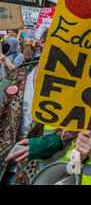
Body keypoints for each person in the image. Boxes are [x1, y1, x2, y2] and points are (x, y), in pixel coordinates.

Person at [0, 29, 50, 185]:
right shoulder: (18, 75)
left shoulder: (74, 88)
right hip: (4, 164)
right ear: (42, 42)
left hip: (36, 171)